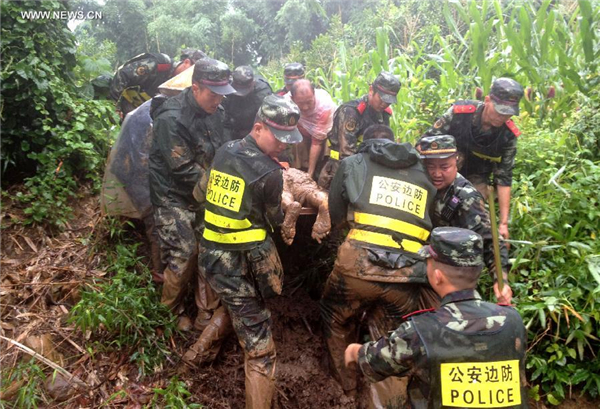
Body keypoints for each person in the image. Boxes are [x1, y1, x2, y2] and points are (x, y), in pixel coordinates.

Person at [345, 227, 528, 408]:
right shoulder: (513, 321)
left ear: (437, 276)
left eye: (428, 262)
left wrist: (354, 351)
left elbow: (375, 361)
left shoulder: (421, 331)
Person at [320, 124, 437, 398]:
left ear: (366, 144)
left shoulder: (353, 162)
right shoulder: (424, 172)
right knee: (392, 341)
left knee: (335, 316)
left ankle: (346, 388)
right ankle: (385, 401)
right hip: (407, 273)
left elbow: (336, 214)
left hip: (357, 267)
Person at [200, 95, 302, 408]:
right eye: (279, 138)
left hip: (210, 256)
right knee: (261, 350)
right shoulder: (269, 174)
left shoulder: (225, 149)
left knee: (236, 305)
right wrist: (290, 211)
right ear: (258, 128)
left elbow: (200, 191)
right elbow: (273, 220)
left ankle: (194, 359)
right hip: (239, 264)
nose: (284, 145)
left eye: (289, 138)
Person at [149, 57, 235, 330]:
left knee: (212, 246)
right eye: (213, 94)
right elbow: (184, 169)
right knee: (186, 251)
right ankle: (169, 311)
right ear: (195, 88)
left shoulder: (217, 113)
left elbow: (223, 151)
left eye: (222, 94)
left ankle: (205, 313)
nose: (218, 100)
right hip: (173, 195)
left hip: (203, 192)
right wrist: (227, 192)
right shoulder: (171, 119)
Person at [422, 77, 524, 241]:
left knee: (471, 212)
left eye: (508, 113)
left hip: (476, 179)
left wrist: (503, 223)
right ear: (487, 100)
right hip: (442, 167)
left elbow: (504, 178)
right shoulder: (460, 113)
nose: (502, 117)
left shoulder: (508, 135)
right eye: (499, 111)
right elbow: (426, 142)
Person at [416, 134, 513, 304]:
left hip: (446, 273)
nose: (436, 173)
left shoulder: (466, 197)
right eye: (430, 167)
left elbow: (490, 241)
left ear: (456, 162)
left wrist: (501, 281)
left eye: (444, 167)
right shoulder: (416, 181)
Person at [317, 71, 400, 190]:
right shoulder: (351, 112)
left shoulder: (384, 115)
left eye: (388, 102)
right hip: (339, 170)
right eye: (381, 99)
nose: (384, 104)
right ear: (371, 90)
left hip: (369, 169)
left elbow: (384, 145)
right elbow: (346, 152)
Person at [110, 48, 206, 119]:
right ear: (186, 62)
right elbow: (122, 75)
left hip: (136, 113)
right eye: (193, 70)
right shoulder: (161, 64)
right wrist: (113, 108)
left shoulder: (179, 86)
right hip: (117, 99)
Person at [287, 79, 337, 179]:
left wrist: (310, 173)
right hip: (303, 135)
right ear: (292, 99)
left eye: (309, 102)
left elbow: (316, 142)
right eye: (300, 103)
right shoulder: (286, 104)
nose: (305, 107)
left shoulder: (324, 106)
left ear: (314, 94)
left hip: (323, 137)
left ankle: (323, 172)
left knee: (328, 143)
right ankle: (298, 171)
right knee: (296, 141)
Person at [222, 66, 273, 141]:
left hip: (255, 132)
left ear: (253, 82)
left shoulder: (263, 92)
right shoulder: (228, 90)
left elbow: (266, 121)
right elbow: (224, 120)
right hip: (233, 130)